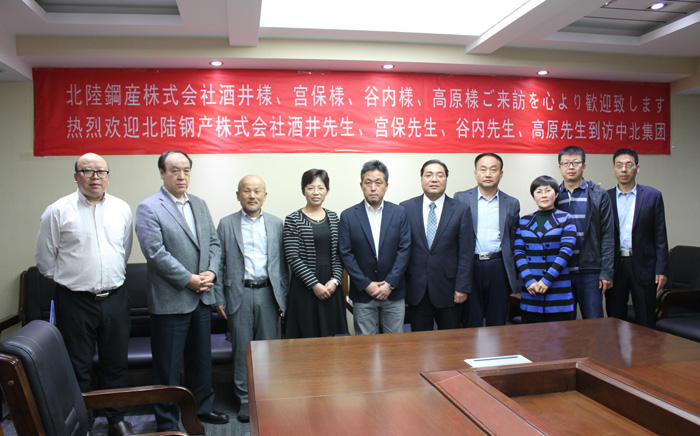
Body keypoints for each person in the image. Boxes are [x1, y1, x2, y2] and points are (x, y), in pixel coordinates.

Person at [35, 153, 133, 436]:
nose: (95, 177)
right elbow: (45, 261)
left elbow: (123, 251)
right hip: (75, 301)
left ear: (108, 176)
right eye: (87, 171)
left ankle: (116, 419)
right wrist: (76, 281)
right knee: (77, 366)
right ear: (76, 176)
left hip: (115, 298)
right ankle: (84, 422)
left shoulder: (121, 209)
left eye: (101, 171)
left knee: (116, 363)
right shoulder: (57, 211)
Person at [134, 150, 228, 431]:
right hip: (170, 299)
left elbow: (214, 243)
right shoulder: (149, 207)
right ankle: (166, 420)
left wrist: (211, 272)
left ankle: (202, 409)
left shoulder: (199, 204)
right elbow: (155, 253)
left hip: (201, 297)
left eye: (186, 170)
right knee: (168, 366)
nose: (181, 176)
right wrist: (188, 279)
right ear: (162, 173)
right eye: (174, 170)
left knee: (201, 360)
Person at [214, 175, 288, 422]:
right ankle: (245, 399)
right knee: (242, 350)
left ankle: (265, 396)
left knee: (268, 349)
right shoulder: (226, 224)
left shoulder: (277, 224)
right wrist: (218, 297)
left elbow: (283, 265)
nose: (252, 195)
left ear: (265, 196)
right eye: (247, 191)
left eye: (257, 191)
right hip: (239, 294)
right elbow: (218, 263)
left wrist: (284, 298)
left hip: (268, 293)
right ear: (238, 195)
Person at [400, 159, 474, 331]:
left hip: (449, 289)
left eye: (440, 175)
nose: (434, 179)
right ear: (421, 179)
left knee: (449, 341)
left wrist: (462, 287)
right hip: (416, 289)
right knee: (419, 340)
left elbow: (466, 253)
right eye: (429, 175)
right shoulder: (406, 208)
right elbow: (402, 249)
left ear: (446, 179)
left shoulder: (461, 210)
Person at [339, 160, 411, 335]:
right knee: (365, 346)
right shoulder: (348, 216)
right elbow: (346, 253)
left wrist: (390, 283)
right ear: (361, 185)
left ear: (386, 186)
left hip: (393, 292)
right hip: (363, 294)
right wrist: (366, 284)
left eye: (378, 183)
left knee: (394, 345)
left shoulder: (399, 213)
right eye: (368, 182)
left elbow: (405, 249)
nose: (373, 188)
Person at [454, 153, 520, 327]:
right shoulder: (461, 198)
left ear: (501, 174)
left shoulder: (512, 203)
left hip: (499, 265)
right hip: (471, 265)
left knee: (497, 319)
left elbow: (513, 240)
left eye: (493, 169)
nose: (488, 174)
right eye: (483, 169)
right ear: (475, 174)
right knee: (471, 319)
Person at [606, 148, 669, 328]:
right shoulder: (605, 197)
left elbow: (660, 235)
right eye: (619, 165)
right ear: (613, 169)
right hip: (615, 266)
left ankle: (647, 348)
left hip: (644, 265)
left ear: (637, 168)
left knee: (646, 319)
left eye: (629, 165)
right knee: (615, 319)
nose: (624, 169)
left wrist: (662, 269)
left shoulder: (652, 196)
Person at [283, 169, 348, 338]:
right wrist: (314, 284)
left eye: (321, 188)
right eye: (310, 188)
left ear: (327, 191)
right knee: (306, 339)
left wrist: (335, 280)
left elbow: (340, 253)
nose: (316, 192)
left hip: (331, 286)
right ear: (303, 190)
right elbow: (292, 257)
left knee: (332, 340)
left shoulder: (333, 217)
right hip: (304, 288)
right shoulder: (292, 219)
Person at [556, 145, 614, 319]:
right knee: (564, 326)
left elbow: (608, 236)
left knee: (594, 323)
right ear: (559, 167)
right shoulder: (554, 195)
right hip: (562, 271)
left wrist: (606, 272)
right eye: (566, 163)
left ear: (584, 166)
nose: (571, 167)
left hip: (590, 271)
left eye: (576, 162)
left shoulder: (598, 195)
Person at [514, 175, 577, 323]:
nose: (543, 195)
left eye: (548, 190)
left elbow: (566, 251)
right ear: (533, 196)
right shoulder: (523, 221)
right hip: (531, 289)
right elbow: (518, 252)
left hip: (558, 288)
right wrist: (529, 280)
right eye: (538, 191)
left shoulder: (566, 219)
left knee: (560, 335)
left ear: (556, 194)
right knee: (531, 334)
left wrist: (546, 280)